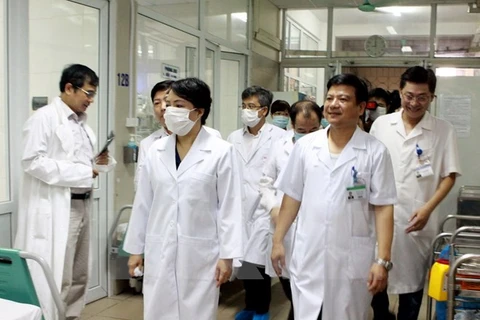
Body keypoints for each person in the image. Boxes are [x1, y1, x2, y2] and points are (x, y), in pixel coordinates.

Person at [271, 73, 397, 320]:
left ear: (361, 108)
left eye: (343, 99)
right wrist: (278, 241)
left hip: (351, 258)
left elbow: (384, 208)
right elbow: (292, 198)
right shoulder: (306, 146)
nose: (333, 104)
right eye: (329, 98)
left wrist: (382, 260)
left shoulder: (375, 152)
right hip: (310, 254)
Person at [123, 78, 243, 320]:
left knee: (196, 312)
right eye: (167, 104)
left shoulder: (221, 151)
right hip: (160, 247)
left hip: (201, 252)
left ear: (198, 112)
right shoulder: (155, 151)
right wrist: (135, 249)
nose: (168, 110)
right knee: (158, 310)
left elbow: (230, 207)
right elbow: (143, 203)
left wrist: (227, 256)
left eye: (178, 104)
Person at [14, 64, 114, 320]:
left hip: (82, 203)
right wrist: (84, 172)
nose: (90, 100)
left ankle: (71, 316)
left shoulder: (82, 125)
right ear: (69, 87)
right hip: (58, 207)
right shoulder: (43, 118)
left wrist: (99, 163)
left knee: (79, 272)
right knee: (60, 274)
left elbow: (84, 163)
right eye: (88, 93)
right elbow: (32, 162)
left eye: (93, 94)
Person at [370, 66, 461, 320]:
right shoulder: (381, 125)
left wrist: (428, 208)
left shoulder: (443, 130)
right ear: (400, 92)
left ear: (432, 97)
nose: (414, 102)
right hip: (380, 220)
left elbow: (449, 175)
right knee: (377, 287)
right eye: (409, 95)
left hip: (417, 222)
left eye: (422, 97)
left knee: (411, 294)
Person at [260, 100, 322, 320]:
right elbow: (265, 182)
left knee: (310, 296)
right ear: (292, 126)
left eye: (313, 130)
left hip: (315, 229)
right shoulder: (280, 146)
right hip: (284, 228)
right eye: (301, 130)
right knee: (290, 288)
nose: (307, 135)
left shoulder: (329, 145)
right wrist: (273, 207)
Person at [228, 85, 286, 320]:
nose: (246, 111)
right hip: (240, 206)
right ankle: (251, 305)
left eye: (251, 107)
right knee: (245, 262)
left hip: (265, 207)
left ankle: (261, 309)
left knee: (260, 263)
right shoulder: (233, 137)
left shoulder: (280, 138)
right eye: (244, 106)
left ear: (263, 110)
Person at [135, 80, 222, 189]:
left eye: (178, 105)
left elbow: (229, 200)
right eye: (158, 103)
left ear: (199, 112)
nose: (165, 108)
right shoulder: (153, 146)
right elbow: (142, 189)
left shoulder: (218, 145)